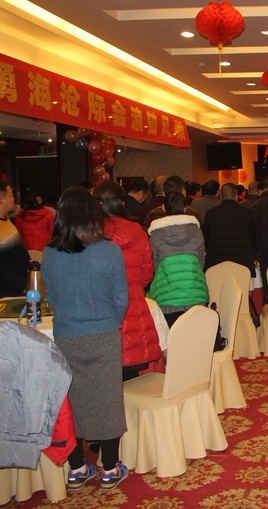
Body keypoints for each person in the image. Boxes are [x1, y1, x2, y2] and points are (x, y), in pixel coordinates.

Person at [42, 187, 129, 491]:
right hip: (103, 333)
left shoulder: (50, 252)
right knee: (108, 400)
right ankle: (110, 468)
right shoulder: (109, 251)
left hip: (66, 334)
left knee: (69, 402)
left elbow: (52, 298)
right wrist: (108, 321)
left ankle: (77, 467)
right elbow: (121, 298)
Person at [93, 181, 161, 381]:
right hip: (134, 309)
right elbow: (146, 274)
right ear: (121, 202)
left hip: (102, 314)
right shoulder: (137, 230)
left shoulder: (91, 233)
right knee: (132, 372)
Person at [148, 191, 208, 327]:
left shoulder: (156, 233)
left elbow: (154, 264)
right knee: (194, 333)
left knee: (170, 335)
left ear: (163, 208)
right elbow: (201, 262)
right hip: (194, 292)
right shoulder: (196, 230)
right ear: (185, 208)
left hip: (165, 294)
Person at [203, 182, 256, 276]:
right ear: (236, 196)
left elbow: (206, 239)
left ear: (221, 197)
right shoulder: (246, 213)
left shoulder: (211, 214)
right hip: (242, 263)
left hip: (216, 262)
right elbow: (253, 238)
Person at [0, 180, 29, 297]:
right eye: (11, 195)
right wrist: (22, 284)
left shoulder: (6, 221)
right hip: (8, 292)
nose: (14, 199)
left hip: (18, 288)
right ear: (2, 200)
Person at [14, 188, 54, 252]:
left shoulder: (20, 216)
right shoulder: (47, 213)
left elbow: (18, 237)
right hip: (45, 251)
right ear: (38, 198)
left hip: (27, 252)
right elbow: (53, 234)